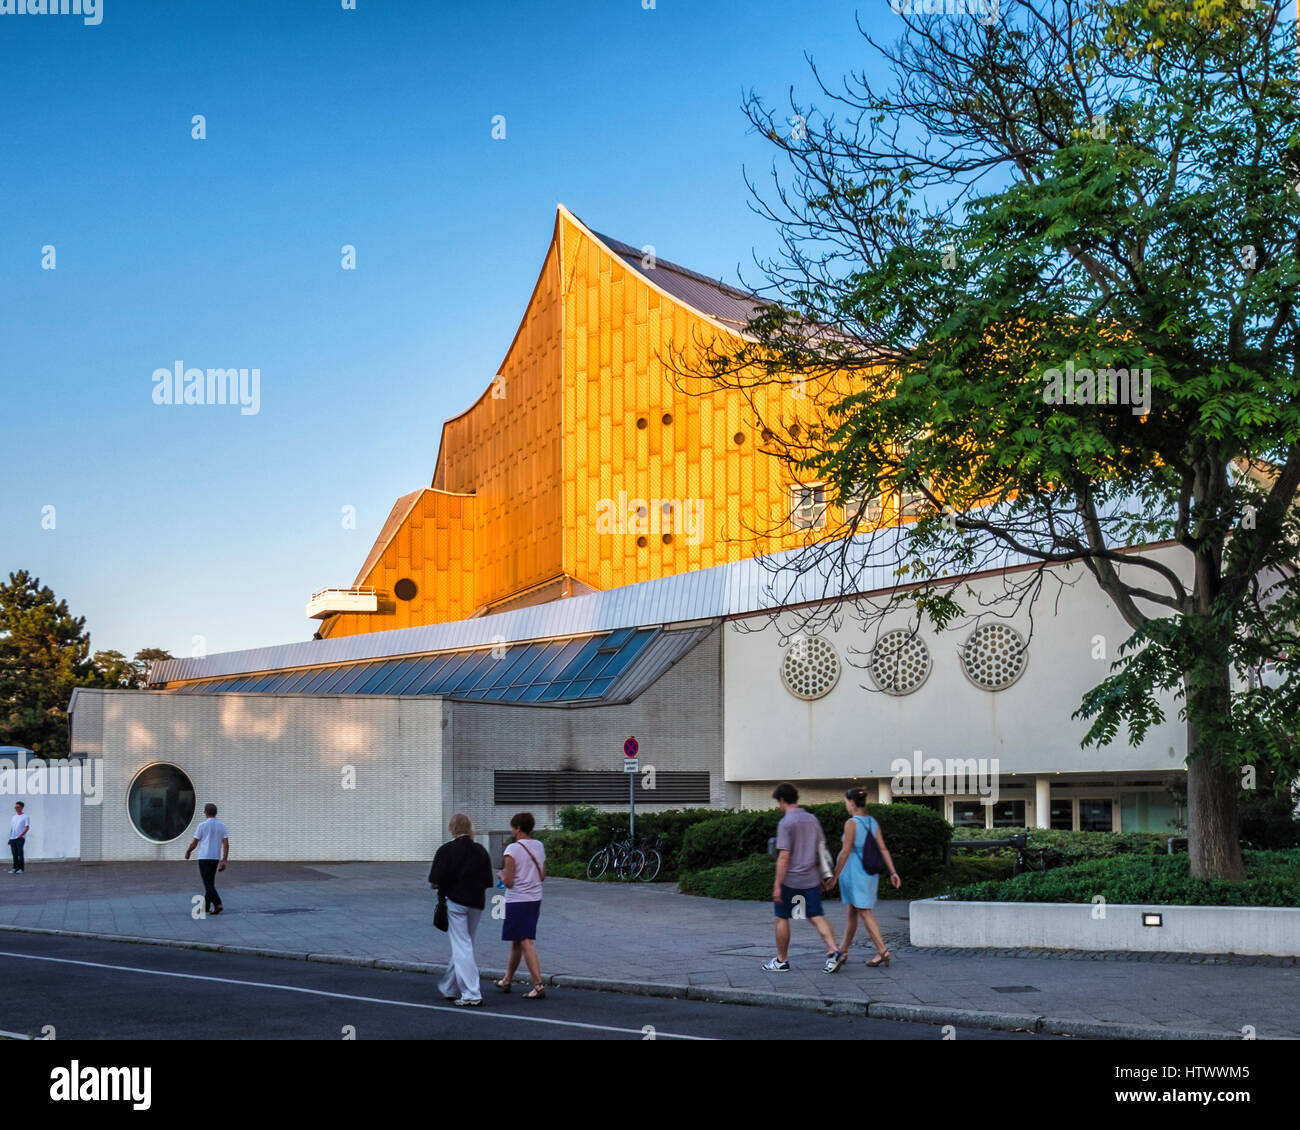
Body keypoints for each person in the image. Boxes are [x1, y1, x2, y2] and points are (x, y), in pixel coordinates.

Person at [763, 782, 841, 972]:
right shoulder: (812, 819)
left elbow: (783, 856)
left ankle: (782, 960)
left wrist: (777, 885)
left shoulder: (786, 822)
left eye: (778, 802)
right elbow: (820, 849)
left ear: (782, 800)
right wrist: (824, 876)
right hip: (811, 878)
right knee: (816, 915)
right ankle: (834, 950)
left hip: (791, 880)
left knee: (781, 917)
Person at [828, 787, 901, 970]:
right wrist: (893, 872)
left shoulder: (851, 823)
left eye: (846, 802)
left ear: (852, 803)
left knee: (865, 912)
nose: (846, 805)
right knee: (852, 912)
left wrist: (834, 876)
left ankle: (883, 951)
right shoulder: (871, 822)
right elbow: (883, 848)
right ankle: (843, 950)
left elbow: (845, 853)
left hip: (855, 875)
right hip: (870, 874)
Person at [428, 813, 493, 1007]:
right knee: (466, 945)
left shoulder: (446, 850)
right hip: (477, 903)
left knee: (461, 946)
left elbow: (434, 881)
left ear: (452, 828)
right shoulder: (480, 850)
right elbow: (487, 881)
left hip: (455, 902)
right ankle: (449, 986)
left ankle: (472, 993)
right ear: (470, 828)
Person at [495, 811, 547, 1000]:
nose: (511, 830)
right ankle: (507, 979)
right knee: (516, 941)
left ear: (517, 828)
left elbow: (508, 882)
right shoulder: (539, 846)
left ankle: (538, 984)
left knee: (525, 941)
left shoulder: (512, 850)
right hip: (535, 898)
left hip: (517, 900)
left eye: (512, 827)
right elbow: (542, 876)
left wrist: (500, 875)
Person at [183, 803, 228, 914]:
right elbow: (226, 844)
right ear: (215, 813)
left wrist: (188, 851)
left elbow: (195, 842)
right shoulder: (222, 826)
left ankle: (218, 903)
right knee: (210, 882)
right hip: (215, 857)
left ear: (205, 813)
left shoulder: (202, 825)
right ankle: (206, 907)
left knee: (207, 883)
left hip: (204, 857)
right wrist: (224, 860)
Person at [8, 801, 29, 875]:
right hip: (12, 838)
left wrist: (21, 835)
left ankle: (21, 869)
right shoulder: (14, 817)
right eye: (15, 807)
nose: (16, 808)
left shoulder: (25, 817)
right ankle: (15, 868)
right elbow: (12, 828)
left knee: (20, 853)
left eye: (17, 807)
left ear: (22, 807)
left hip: (20, 838)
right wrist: (10, 838)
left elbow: (27, 827)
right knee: (14, 854)